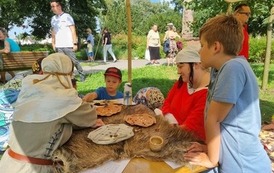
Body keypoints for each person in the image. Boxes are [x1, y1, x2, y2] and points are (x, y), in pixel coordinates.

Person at [184, 15, 271, 173]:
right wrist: (208, 147)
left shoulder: (233, 68)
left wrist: (211, 159)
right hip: (233, 161)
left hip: (243, 166)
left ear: (216, 47)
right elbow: (229, 124)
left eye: (202, 45)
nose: (199, 50)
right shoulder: (224, 69)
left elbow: (214, 118)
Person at [0, 53, 104, 173]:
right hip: (32, 169)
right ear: (67, 74)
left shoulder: (30, 88)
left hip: (8, 163)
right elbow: (90, 116)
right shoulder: (64, 98)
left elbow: (50, 120)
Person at [155, 45, 210, 142]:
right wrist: (170, 118)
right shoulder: (184, 82)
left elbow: (189, 129)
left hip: (184, 140)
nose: (178, 71)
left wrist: (167, 125)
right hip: (171, 131)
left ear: (196, 65)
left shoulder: (206, 95)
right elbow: (167, 102)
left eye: (181, 66)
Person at [50, 0, 86, 82]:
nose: (52, 8)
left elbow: (73, 30)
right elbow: (53, 32)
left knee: (74, 61)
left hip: (68, 44)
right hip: (59, 45)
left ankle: (82, 75)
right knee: (62, 63)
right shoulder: (53, 19)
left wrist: (75, 43)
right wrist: (53, 43)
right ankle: (68, 77)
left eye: (53, 6)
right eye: (51, 6)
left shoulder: (67, 16)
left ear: (59, 6)